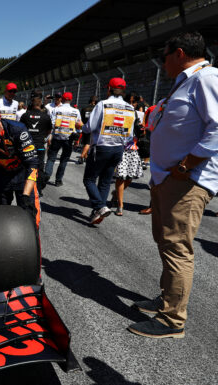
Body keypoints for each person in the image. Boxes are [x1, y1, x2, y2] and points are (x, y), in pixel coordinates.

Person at [128, 31, 218, 339]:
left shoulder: (207, 78)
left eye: (165, 55)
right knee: (167, 243)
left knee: (177, 247)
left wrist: (187, 164)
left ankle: (172, 320)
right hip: (169, 178)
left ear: (179, 53)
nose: (163, 62)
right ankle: (167, 299)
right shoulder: (187, 82)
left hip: (187, 181)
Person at [80, 77, 135, 225]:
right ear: (123, 92)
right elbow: (130, 134)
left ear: (108, 89)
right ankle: (98, 211)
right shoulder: (130, 108)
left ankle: (100, 207)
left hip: (102, 147)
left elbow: (89, 127)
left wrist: (81, 126)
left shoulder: (103, 104)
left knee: (89, 179)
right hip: (118, 149)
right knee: (105, 182)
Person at [110, 94, 144, 216]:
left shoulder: (138, 114)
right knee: (121, 177)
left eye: (133, 102)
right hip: (120, 147)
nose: (131, 104)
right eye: (129, 101)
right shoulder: (118, 112)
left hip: (133, 148)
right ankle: (120, 205)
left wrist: (141, 129)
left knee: (129, 178)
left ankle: (115, 194)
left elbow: (143, 128)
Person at [44, 92, 83, 187]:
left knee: (51, 158)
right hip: (69, 138)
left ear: (62, 99)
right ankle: (58, 180)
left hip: (57, 136)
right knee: (64, 160)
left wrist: (50, 136)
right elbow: (79, 125)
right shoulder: (76, 111)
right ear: (71, 99)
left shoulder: (56, 110)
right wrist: (77, 139)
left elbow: (52, 123)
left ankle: (47, 175)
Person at [20, 96, 52, 196]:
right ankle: (38, 189)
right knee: (39, 168)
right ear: (41, 104)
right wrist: (42, 136)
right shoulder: (46, 116)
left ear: (31, 105)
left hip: (27, 145)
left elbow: (21, 129)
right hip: (40, 145)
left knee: (25, 167)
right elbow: (49, 131)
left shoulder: (25, 115)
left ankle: (25, 188)